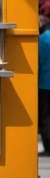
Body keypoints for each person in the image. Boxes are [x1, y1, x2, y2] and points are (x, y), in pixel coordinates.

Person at [39, 21, 50, 156]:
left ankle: (48, 147)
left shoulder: (42, 39)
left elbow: (38, 60)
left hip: (45, 83)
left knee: (45, 116)